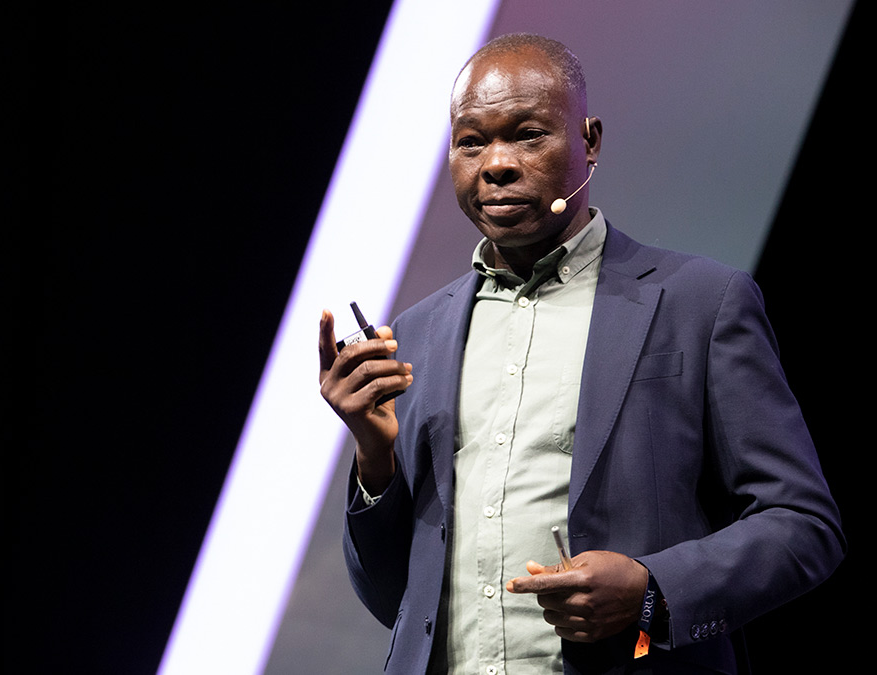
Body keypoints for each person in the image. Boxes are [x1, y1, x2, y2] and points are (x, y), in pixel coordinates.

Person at [317, 34, 844, 674]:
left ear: (589, 139)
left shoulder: (700, 303)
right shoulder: (419, 331)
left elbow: (803, 524)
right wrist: (375, 461)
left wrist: (653, 588)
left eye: (528, 135)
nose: (497, 164)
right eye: (471, 141)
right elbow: (395, 599)